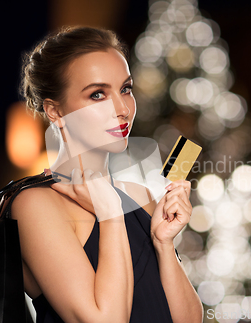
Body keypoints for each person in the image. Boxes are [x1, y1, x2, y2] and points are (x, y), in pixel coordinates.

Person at [12, 26, 203, 323]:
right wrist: (110, 213)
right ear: (55, 111)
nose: (122, 108)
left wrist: (164, 245)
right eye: (98, 94)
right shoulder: (35, 205)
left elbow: (189, 321)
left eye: (125, 89)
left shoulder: (140, 197)